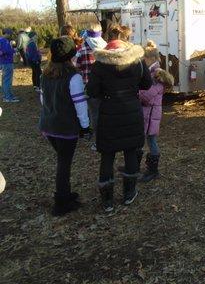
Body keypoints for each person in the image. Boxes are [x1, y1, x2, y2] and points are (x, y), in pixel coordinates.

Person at [86, 26, 152, 212]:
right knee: (131, 151)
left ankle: (107, 201)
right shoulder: (136, 61)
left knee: (107, 155)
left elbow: (91, 91)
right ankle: (129, 194)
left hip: (108, 112)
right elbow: (147, 83)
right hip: (131, 110)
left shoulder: (100, 64)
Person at [39, 37, 91, 216]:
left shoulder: (44, 75)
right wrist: (85, 126)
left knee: (63, 160)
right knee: (64, 163)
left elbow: (43, 100)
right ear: (71, 55)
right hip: (65, 128)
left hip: (48, 125)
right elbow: (80, 104)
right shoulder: (73, 77)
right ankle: (61, 202)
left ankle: (66, 194)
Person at [138, 41, 174, 182]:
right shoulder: (150, 73)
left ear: (151, 59)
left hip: (151, 114)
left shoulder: (156, 75)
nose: (142, 61)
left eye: (144, 58)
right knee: (142, 140)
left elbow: (147, 96)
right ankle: (135, 167)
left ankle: (153, 170)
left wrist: (134, 92)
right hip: (148, 113)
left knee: (151, 141)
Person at [76, 23, 107, 151]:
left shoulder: (81, 50)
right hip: (106, 88)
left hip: (89, 88)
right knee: (105, 114)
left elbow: (76, 68)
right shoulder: (106, 48)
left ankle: (97, 142)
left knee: (94, 115)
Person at [0, 28, 19, 102]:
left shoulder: (1, 40)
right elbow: (6, 51)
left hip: (3, 62)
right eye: (10, 34)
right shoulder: (4, 41)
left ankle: (7, 95)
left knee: (5, 80)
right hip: (7, 62)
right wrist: (14, 50)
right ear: (7, 33)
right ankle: (8, 97)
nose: (11, 35)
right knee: (7, 80)